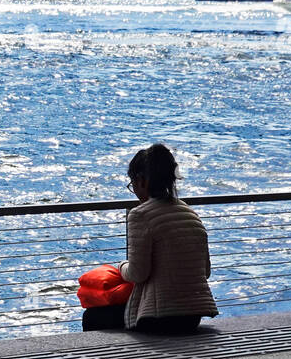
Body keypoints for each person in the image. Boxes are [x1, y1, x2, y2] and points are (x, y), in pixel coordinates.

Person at [83, 143, 218, 335]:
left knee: (92, 317)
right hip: (193, 316)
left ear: (142, 181)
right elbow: (205, 272)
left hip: (160, 318)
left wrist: (121, 266)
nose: (135, 190)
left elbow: (138, 274)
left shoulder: (141, 215)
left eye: (133, 184)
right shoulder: (190, 213)